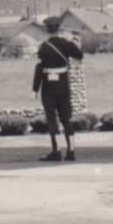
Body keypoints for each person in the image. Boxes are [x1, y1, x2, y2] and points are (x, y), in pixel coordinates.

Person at [32, 19, 84, 161]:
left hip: (48, 88)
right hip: (63, 85)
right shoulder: (67, 45)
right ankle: (71, 151)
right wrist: (76, 44)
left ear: (47, 30)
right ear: (59, 28)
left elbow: (39, 68)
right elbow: (79, 56)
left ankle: (56, 151)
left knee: (51, 119)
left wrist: (35, 89)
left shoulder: (44, 47)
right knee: (66, 118)